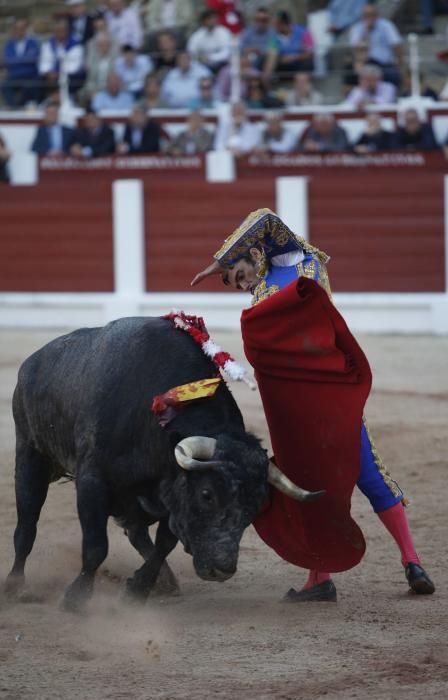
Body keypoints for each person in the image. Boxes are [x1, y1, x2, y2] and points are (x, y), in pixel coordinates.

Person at [190, 208, 435, 600]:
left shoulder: (290, 259)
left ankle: (405, 562)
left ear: (250, 255)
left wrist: (214, 262)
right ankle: (348, 574)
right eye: (236, 285)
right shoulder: (265, 294)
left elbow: (265, 217)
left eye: (237, 276)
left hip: (327, 394)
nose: (242, 285)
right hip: (304, 404)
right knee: (321, 478)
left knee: (360, 474)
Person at [349, 3, 403, 86]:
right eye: (366, 15)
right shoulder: (357, 28)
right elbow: (357, 50)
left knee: (393, 74)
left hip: (384, 64)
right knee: (349, 72)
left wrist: (399, 62)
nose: (369, 17)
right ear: (362, 16)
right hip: (365, 63)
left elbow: (396, 45)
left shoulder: (386, 26)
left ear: (376, 15)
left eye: (371, 15)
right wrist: (366, 31)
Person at [38, 18, 85, 97]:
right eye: (57, 31)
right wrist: (49, 72)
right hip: (51, 76)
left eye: (61, 31)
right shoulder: (48, 44)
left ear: (67, 31)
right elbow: (43, 63)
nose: (59, 33)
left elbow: (74, 66)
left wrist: (58, 74)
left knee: (69, 79)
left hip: (70, 76)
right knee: (37, 81)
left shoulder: (76, 45)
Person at [1, 18, 40, 108]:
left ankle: (21, 106)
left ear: (26, 29)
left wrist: (17, 61)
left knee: (29, 86)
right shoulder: (9, 44)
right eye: (17, 28)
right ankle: (14, 108)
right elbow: (9, 60)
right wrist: (22, 60)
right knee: (4, 85)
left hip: (30, 75)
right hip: (14, 75)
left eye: (22, 28)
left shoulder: (33, 42)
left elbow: (32, 59)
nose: (19, 31)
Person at [187, 9, 233, 74]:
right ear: (203, 21)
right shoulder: (197, 35)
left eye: (214, 18)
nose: (212, 21)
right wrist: (199, 58)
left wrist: (209, 58)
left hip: (221, 65)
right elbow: (191, 51)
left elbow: (227, 53)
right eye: (209, 19)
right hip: (202, 66)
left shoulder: (224, 32)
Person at [270, 10, 314, 75]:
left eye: (276, 24)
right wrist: (280, 59)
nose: (274, 26)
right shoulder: (273, 38)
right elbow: (272, 55)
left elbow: (310, 54)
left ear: (283, 23)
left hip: (301, 64)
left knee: (306, 65)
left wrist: (294, 57)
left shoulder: (304, 32)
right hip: (283, 67)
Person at [239, 6, 278, 72]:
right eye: (258, 19)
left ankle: (265, 79)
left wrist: (259, 50)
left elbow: (273, 48)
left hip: (264, 61)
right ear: (254, 20)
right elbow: (240, 48)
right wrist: (249, 50)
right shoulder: (247, 32)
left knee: (272, 54)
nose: (260, 22)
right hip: (248, 60)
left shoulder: (273, 33)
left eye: (264, 20)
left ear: (268, 21)